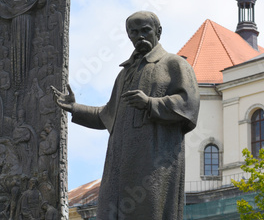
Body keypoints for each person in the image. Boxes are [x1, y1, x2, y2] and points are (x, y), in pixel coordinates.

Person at [51, 11, 200, 220]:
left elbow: (188, 104)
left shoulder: (173, 64)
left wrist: (150, 103)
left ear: (158, 31)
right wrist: (75, 107)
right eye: (134, 33)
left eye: (145, 31)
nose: (140, 37)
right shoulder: (124, 74)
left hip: (151, 166)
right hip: (118, 169)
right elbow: (106, 115)